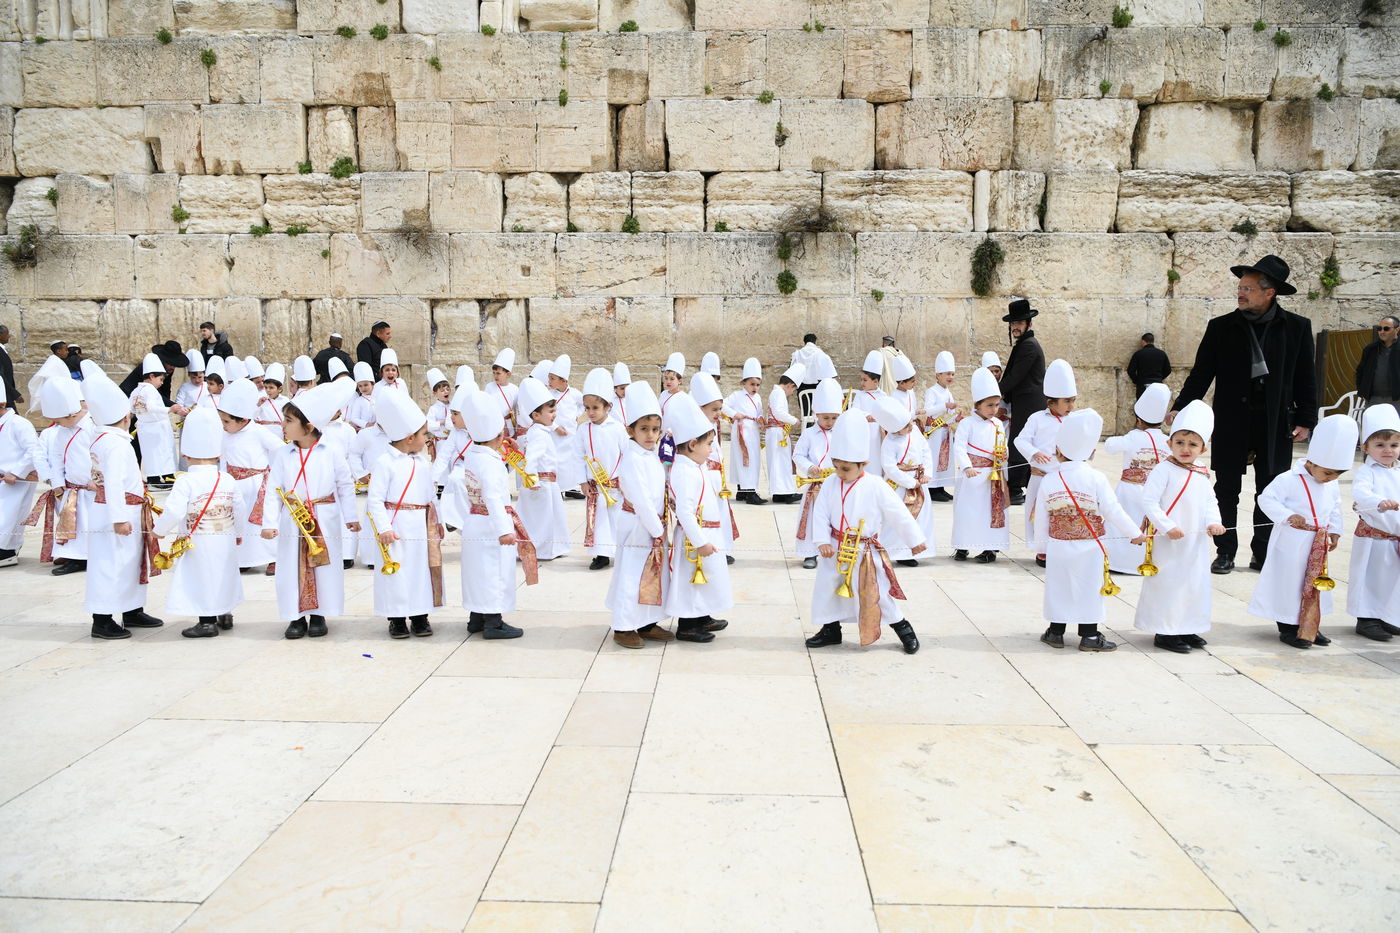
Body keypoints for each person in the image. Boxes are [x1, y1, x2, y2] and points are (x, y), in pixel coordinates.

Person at [1171, 254, 1318, 575]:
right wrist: (1181, 406)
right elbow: (1202, 373)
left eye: (1248, 288)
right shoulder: (1221, 327)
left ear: (1270, 292)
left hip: (1276, 421)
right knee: (1226, 489)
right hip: (1232, 419)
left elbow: (1307, 376)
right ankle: (1225, 551)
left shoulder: (1296, 328)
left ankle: (1262, 553)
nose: (1241, 293)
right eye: (1240, 287)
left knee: (1270, 489)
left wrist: (1307, 418)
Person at [803, 408, 924, 653]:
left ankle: (903, 628)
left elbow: (897, 512)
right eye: (836, 466)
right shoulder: (829, 483)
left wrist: (915, 539)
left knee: (875, 592)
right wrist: (821, 540)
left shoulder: (876, 485)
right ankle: (830, 629)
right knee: (828, 588)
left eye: (846, 469)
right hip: (835, 548)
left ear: (863, 464)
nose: (840, 473)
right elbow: (821, 513)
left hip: (864, 550)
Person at [1034, 409, 1145, 653]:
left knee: (1059, 587)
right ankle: (1090, 636)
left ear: (1058, 451)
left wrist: (1041, 547)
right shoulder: (1096, 478)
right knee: (1088, 588)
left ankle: (1055, 632)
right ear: (1092, 452)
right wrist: (1134, 533)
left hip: (1058, 546)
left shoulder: (1049, 480)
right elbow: (1113, 510)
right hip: (1090, 546)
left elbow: (1041, 517)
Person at [1248, 414, 1357, 648]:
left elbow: (1335, 507)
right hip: (1292, 542)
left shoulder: (1332, 482)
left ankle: (1310, 625)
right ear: (1312, 462)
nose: (1332, 479)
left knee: (1314, 585)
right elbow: (1266, 499)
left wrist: (1335, 530)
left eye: (1338, 474)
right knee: (1291, 584)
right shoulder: (1288, 479)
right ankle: (1288, 627)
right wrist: (1287, 516)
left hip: (1317, 544)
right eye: (1328, 473)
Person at [263, 381, 360, 640]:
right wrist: (269, 522)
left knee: (324, 566)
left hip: (324, 517)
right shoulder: (282, 455)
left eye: (289, 420)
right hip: (291, 521)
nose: (283, 425)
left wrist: (351, 517)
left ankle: (319, 614)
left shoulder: (332, 452)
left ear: (308, 426)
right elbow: (273, 489)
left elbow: (344, 485)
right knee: (290, 566)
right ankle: (295, 616)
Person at [1134, 400, 1226, 653]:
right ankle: (1165, 631)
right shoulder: (1163, 469)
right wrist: (1166, 526)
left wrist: (1214, 522)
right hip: (1169, 541)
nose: (1185, 449)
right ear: (1169, 443)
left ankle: (1187, 625)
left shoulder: (1201, 473)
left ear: (1203, 448)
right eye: (1180, 443)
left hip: (1193, 542)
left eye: (1193, 444)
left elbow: (1210, 501)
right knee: (1169, 583)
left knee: (1193, 584)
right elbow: (1149, 501)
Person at [82, 375, 164, 640]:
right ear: (127, 418)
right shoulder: (116, 444)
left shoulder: (102, 440)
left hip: (121, 510)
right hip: (117, 513)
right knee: (110, 565)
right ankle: (102, 619)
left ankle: (131, 608)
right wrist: (118, 518)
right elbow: (114, 484)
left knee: (129, 563)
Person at [155, 407, 248, 639]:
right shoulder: (226, 478)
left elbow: (174, 510)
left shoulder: (186, 481)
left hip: (198, 540)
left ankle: (206, 621)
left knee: (202, 576)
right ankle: (225, 613)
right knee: (223, 573)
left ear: (185, 455)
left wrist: (159, 531)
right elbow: (239, 508)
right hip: (225, 537)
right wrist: (239, 532)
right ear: (219, 455)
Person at [451, 390, 533, 640]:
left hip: (475, 521)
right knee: (495, 573)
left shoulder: (474, 455)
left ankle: (476, 617)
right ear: (499, 435)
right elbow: (494, 497)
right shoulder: (492, 463)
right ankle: (493, 622)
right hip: (491, 525)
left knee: (477, 572)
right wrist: (504, 530)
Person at [368, 388, 444, 640]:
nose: (427, 439)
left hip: (419, 526)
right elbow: (375, 500)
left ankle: (420, 614)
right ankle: (397, 618)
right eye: (424, 434)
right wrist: (383, 528)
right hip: (395, 525)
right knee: (397, 573)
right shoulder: (385, 462)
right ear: (410, 437)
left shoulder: (422, 463)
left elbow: (430, 496)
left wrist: (438, 522)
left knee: (419, 570)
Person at [605, 380, 674, 648]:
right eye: (644, 429)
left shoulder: (652, 454)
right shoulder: (631, 458)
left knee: (651, 573)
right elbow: (641, 500)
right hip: (638, 525)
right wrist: (657, 530)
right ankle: (623, 626)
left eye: (655, 429)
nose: (650, 435)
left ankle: (646, 621)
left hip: (653, 524)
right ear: (630, 429)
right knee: (631, 575)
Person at [663, 392, 731, 643]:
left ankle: (701, 615)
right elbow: (684, 510)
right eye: (709, 444)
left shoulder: (694, 465)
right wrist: (700, 541)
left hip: (706, 532)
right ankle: (688, 625)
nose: (711, 449)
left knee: (707, 579)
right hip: (695, 539)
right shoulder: (684, 470)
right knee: (692, 580)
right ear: (692, 444)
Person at [27, 363, 93, 576]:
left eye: (60, 419)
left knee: (90, 526)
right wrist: (57, 482)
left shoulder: (92, 427)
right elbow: (56, 457)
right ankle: (75, 557)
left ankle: (87, 558)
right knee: (72, 524)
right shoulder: (62, 431)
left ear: (73, 413)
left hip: (90, 487)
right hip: (69, 486)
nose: (58, 424)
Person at [1104, 383, 1173, 575]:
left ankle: (1119, 563)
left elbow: (1109, 446)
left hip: (1129, 490)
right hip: (1156, 492)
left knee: (1123, 523)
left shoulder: (1133, 436)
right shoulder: (1166, 440)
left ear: (1138, 420)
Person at [1014, 358, 1077, 565]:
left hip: (1063, 478)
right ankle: (1043, 550)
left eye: (1073, 400)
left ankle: (1063, 546)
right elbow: (1020, 439)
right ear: (1051, 402)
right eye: (1067, 401)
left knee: (1063, 513)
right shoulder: (1037, 419)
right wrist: (1034, 453)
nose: (1071, 406)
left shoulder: (1074, 421)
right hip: (1040, 478)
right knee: (1040, 514)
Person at [217, 378, 282, 574]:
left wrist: (272, 474)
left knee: (261, 524)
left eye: (227, 421)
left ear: (243, 419)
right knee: (239, 524)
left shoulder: (258, 431)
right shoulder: (225, 434)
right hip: (233, 485)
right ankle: (244, 558)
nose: (224, 425)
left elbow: (281, 449)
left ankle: (273, 557)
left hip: (256, 486)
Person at [1348, 404, 1400, 641]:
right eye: (1380, 445)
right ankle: (1366, 618)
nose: (1388, 451)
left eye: (1394, 445)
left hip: (1394, 536)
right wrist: (1380, 502)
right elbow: (1360, 494)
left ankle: (1387, 616)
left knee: (1390, 579)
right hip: (1374, 537)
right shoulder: (1366, 472)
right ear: (1365, 447)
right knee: (1371, 577)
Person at [951, 367, 1010, 564]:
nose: (994, 409)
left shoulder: (998, 425)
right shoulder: (967, 424)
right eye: (989, 405)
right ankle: (963, 545)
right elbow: (959, 447)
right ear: (977, 404)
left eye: (996, 404)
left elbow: (1002, 446)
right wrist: (967, 467)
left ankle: (990, 548)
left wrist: (1004, 456)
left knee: (990, 512)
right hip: (972, 477)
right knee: (968, 512)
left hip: (992, 477)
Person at [515, 376, 570, 560]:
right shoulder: (538, 433)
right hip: (541, 484)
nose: (554, 415)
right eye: (550, 412)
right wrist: (532, 479)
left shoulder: (540, 430)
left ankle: (551, 548)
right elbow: (532, 458)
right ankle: (537, 549)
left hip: (548, 483)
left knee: (551, 517)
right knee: (540, 519)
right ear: (536, 415)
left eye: (554, 410)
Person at [876, 397, 935, 567]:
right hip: (900, 486)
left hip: (919, 481)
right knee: (900, 516)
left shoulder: (914, 431)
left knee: (921, 517)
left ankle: (918, 548)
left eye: (910, 423)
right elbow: (889, 467)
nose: (911, 427)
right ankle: (898, 552)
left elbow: (926, 451)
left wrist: (927, 474)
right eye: (906, 426)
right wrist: (909, 482)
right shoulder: (889, 442)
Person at [999, 299, 1046, 505]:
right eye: (1013, 323)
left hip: (1029, 404)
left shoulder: (1029, 346)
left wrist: (993, 393)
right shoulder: (1023, 344)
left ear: (1029, 324)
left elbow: (1015, 377)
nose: (1015, 327)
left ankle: (1016, 489)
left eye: (1019, 323)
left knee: (1018, 442)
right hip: (1024, 402)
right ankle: (1026, 483)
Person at [579, 367, 624, 570]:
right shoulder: (583, 429)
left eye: (595, 407)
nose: (590, 412)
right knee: (598, 522)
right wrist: (582, 481)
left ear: (608, 406)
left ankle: (621, 552)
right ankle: (601, 554)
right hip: (595, 485)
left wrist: (624, 479)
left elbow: (626, 454)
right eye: (587, 408)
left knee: (618, 520)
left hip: (615, 485)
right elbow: (577, 457)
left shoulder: (617, 428)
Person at [794, 378, 842, 569]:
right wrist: (809, 467)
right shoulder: (809, 434)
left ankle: (834, 550)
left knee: (835, 517)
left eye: (834, 418)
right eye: (825, 418)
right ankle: (810, 553)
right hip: (815, 484)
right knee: (814, 517)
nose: (830, 422)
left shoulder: (841, 432)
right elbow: (798, 455)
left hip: (836, 483)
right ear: (816, 414)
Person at [0, 379, 39, 567]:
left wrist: (15, 473)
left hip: (16, 480)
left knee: (10, 516)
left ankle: (8, 551)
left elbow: (33, 451)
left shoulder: (19, 424)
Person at [130, 353, 183, 489]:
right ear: (152, 376)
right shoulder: (150, 391)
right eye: (160, 379)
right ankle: (165, 477)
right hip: (157, 427)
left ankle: (153, 477)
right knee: (163, 453)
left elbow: (133, 408)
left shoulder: (136, 390)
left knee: (150, 455)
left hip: (144, 428)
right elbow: (152, 407)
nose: (162, 382)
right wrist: (170, 409)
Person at [722, 358, 765, 505]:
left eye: (757, 385)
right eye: (752, 384)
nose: (755, 387)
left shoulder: (757, 397)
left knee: (752, 458)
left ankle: (743, 489)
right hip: (741, 430)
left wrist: (760, 418)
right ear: (743, 383)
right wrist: (734, 414)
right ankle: (749, 492)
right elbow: (722, 405)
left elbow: (760, 412)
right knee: (744, 458)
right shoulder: (737, 395)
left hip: (753, 431)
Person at [922, 351, 960, 501]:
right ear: (938, 374)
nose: (950, 377)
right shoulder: (932, 391)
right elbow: (928, 410)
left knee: (945, 460)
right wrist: (945, 405)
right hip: (935, 431)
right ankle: (932, 489)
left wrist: (957, 416)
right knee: (935, 458)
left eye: (952, 374)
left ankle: (941, 486)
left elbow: (949, 413)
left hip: (945, 431)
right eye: (947, 374)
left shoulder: (948, 391)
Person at [764, 363, 803, 504]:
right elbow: (778, 412)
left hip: (777, 432)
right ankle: (786, 493)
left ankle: (779, 493)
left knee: (779, 463)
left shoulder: (777, 393)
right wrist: (794, 420)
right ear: (790, 385)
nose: (791, 393)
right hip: (777, 432)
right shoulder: (778, 393)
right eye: (793, 390)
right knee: (781, 463)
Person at [548, 355, 586, 499]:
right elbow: (545, 413)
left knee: (571, 459)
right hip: (555, 433)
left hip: (570, 433)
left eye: (552, 378)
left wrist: (577, 414)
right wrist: (555, 427)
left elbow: (583, 404)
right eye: (549, 377)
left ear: (563, 380)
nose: (549, 381)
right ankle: (557, 487)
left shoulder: (574, 393)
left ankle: (572, 487)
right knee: (556, 460)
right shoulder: (548, 394)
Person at [849, 350, 889, 477]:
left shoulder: (883, 395)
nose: (862, 383)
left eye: (865, 380)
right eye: (861, 379)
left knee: (877, 457)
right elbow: (855, 411)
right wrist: (867, 416)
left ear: (875, 381)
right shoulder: (860, 395)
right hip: (864, 431)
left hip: (878, 433)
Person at [1355, 315, 1400, 407]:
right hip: (1373, 400)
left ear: (1397, 329)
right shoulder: (1370, 349)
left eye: (1386, 329)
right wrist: (1363, 391)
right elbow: (1360, 371)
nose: (1382, 332)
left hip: (1397, 400)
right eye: (1380, 328)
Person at [791, 334, 837, 419]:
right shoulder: (821, 354)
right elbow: (831, 374)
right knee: (818, 413)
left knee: (806, 415)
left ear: (804, 342)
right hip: (818, 388)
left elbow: (793, 373)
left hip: (802, 389)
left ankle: (806, 427)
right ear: (815, 342)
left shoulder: (797, 354)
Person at [1127, 333, 1171, 400]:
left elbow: (1130, 370)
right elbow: (1168, 370)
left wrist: (1137, 381)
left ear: (1143, 341)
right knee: (1156, 407)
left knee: (1142, 408)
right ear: (1153, 341)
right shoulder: (1162, 354)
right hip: (1158, 386)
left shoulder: (1138, 354)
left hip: (1143, 385)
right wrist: (1159, 378)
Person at [0, 324, 21, 407]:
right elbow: (1, 375)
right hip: (4, 395)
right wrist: (14, 394)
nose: (9, 336)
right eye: (7, 333)